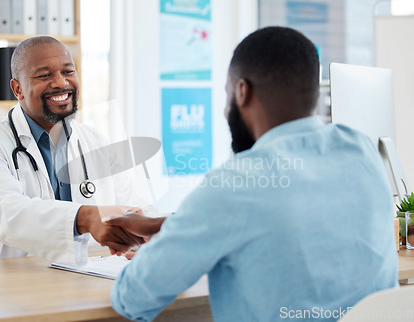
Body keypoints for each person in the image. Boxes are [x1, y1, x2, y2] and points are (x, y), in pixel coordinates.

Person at [107, 27, 398, 321]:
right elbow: (299, 213)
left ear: (242, 92)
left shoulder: (236, 183)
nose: (224, 111)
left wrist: (157, 251)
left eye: (226, 95)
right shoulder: (360, 149)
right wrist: (170, 225)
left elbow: (134, 298)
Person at [0, 36, 156, 266]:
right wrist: (85, 217)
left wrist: (151, 237)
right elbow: (5, 213)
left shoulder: (94, 141)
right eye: (44, 75)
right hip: (7, 285)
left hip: (83, 279)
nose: (60, 83)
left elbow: (132, 203)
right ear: (18, 89)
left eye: (68, 71)